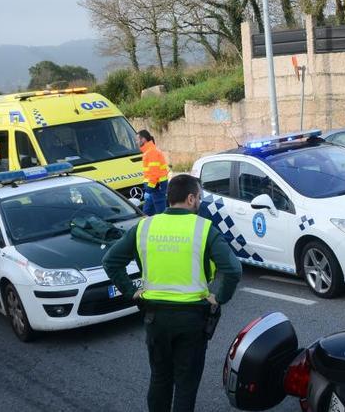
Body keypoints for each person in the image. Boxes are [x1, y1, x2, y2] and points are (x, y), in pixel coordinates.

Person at [102, 174, 242, 412]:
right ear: (190, 198)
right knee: (186, 385)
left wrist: (131, 291)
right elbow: (233, 269)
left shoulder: (144, 226)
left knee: (160, 378)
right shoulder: (203, 228)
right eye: (199, 197)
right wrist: (219, 298)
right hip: (192, 319)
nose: (200, 202)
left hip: (155, 318)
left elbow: (111, 261)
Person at [138, 129, 170, 216]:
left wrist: (149, 189)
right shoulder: (149, 151)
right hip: (156, 186)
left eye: (137, 139)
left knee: (158, 213)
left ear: (143, 139)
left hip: (156, 186)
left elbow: (154, 173)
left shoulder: (151, 152)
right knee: (147, 212)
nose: (136, 142)